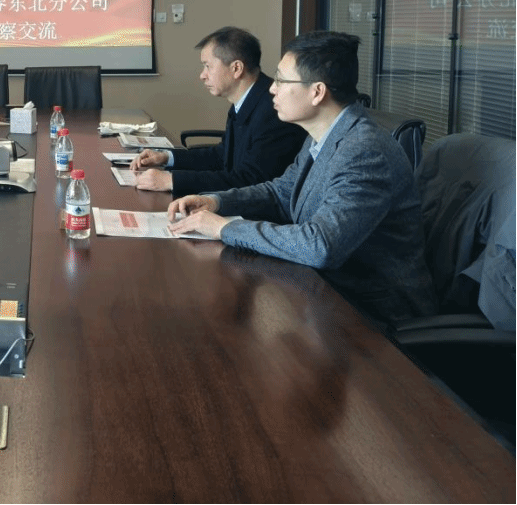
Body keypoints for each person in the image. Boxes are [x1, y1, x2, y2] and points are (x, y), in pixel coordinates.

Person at [167, 31, 437, 324]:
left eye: (282, 81)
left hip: (373, 312)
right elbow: (282, 192)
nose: (272, 89)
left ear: (317, 92)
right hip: (325, 289)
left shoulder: (364, 151)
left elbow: (321, 245)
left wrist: (224, 228)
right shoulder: (322, 134)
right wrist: (216, 201)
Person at [131, 27, 305, 195]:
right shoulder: (248, 99)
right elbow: (223, 156)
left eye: (208, 66)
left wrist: (171, 180)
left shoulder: (273, 110)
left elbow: (250, 181)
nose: (202, 75)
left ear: (236, 68)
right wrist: (166, 157)